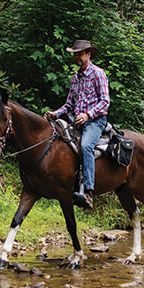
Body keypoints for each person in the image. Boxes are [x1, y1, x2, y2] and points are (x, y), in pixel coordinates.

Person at [44, 39, 110, 210]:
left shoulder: (98, 74)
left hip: (95, 121)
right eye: (76, 55)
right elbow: (69, 105)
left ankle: (88, 191)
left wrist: (88, 115)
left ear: (88, 54)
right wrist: (55, 113)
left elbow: (105, 102)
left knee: (86, 146)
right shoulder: (75, 78)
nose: (77, 57)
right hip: (76, 121)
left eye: (80, 54)